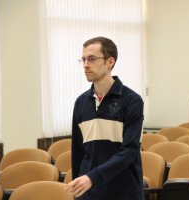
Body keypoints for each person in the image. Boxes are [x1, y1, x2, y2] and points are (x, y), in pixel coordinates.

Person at [65, 36, 145, 200]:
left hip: (124, 191)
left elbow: (129, 152)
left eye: (92, 59)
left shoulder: (132, 101)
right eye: (84, 60)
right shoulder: (81, 103)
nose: (86, 65)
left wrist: (92, 177)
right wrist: (79, 187)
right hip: (90, 193)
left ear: (110, 62)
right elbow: (78, 153)